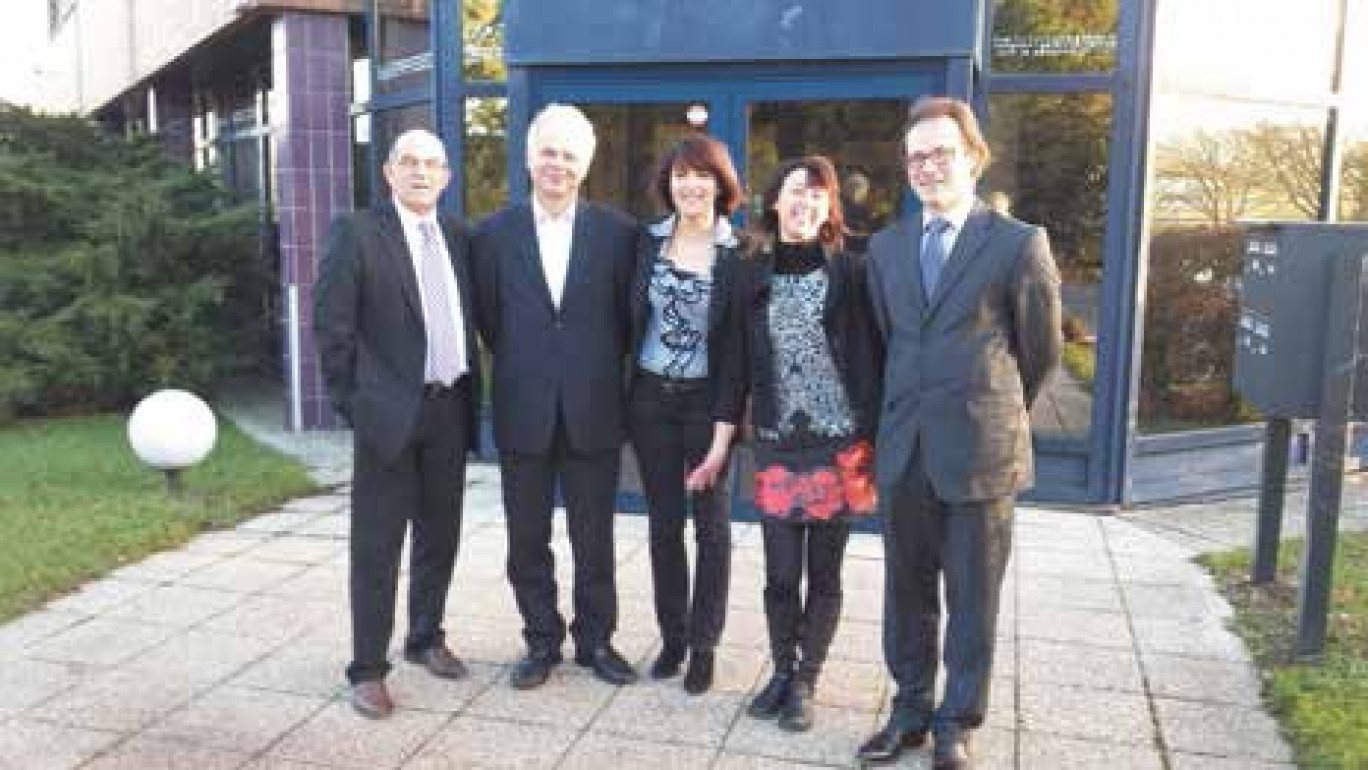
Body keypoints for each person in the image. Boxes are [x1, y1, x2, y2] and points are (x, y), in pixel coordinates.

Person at [857, 96, 1062, 769]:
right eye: (916, 156)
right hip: (905, 451)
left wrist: (993, 409)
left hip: (981, 453)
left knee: (971, 600)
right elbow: (887, 344)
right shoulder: (884, 248)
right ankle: (910, 710)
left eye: (941, 151)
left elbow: (1040, 353)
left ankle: (957, 723)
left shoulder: (1016, 242)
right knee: (905, 593)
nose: (927, 166)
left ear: (973, 156)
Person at [314, 128, 482, 719]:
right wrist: (356, 407)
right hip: (387, 417)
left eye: (432, 163)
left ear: (446, 176)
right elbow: (331, 329)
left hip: (450, 407)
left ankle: (426, 637)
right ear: (388, 172)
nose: (420, 172)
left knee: (441, 534)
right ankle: (367, 669)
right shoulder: (358, 232)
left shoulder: (460, 237)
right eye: (408, 162)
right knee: (377, 545)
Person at [471, 103, 639, 690]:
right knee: (526, 538)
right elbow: (490, 321)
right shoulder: (491, 235)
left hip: (593, 408)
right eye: (548, 151)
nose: (557, 164)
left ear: (586, 164)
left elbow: (626, 322)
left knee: (596, 537)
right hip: (524, 408)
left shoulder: (619, 235)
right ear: (528, 156)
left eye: (569, 154)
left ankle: (597, 642)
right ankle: (541, 641)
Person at [729, 156, 880, 733]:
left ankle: (807, 680)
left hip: (842, 446)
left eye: (818, 194)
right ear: (775, 201)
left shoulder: (854, 270)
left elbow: (877, 351)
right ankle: (781, 671)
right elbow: (737, 363)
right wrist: (725, 434)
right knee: (779, 574)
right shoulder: (749, 271)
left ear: (829, 207)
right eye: (796, 191)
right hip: (776, 441)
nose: (806, 202)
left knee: (826, 573)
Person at [628, 134, 745, 695]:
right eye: (680, 176)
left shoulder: (740, 251)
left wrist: (727, 428)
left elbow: (740, 351)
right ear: (668, 184)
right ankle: (672, 637)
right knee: (663, 526)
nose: (690, 185)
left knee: (712, 530)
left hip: (707, 406)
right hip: (651, 400)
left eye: (702, 176)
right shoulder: (645, 242)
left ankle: (704, 644)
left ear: (721, 184)